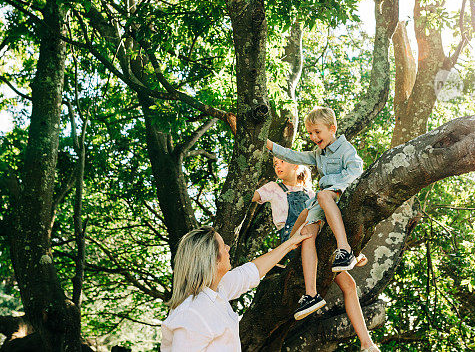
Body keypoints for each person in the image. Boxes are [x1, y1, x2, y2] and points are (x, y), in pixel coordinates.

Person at [254, 157, 380, 352]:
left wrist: (356, 252)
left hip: (315, 243)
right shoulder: (274, 188)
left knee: (349, 284)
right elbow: (250, 198)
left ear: (296, 164)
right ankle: (311, 293)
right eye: (274, 163)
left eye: (282, 161)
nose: (277, 165)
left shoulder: (313, 194)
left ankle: (367, 344)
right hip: (293, 242)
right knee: (307, 215)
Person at [265, 106, 364, 320]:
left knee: (323, 195)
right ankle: (311, 294)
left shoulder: (345, 148)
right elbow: (293, 155)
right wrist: (270, 145)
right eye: (310, 133)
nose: (313, 137)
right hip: (323, 199)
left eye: (317, 132)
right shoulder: (318, 154)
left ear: (332, 128)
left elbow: (356, 171)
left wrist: (333, 186)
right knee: (306, 232)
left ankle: (345, 250)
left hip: (340, 193)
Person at [160, 225, 311, 351]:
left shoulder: (218, 290)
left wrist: (291, 243)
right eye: (223, 246)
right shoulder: (192, 313)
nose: (228, 247)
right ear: (214, 261)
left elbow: (252, 271)